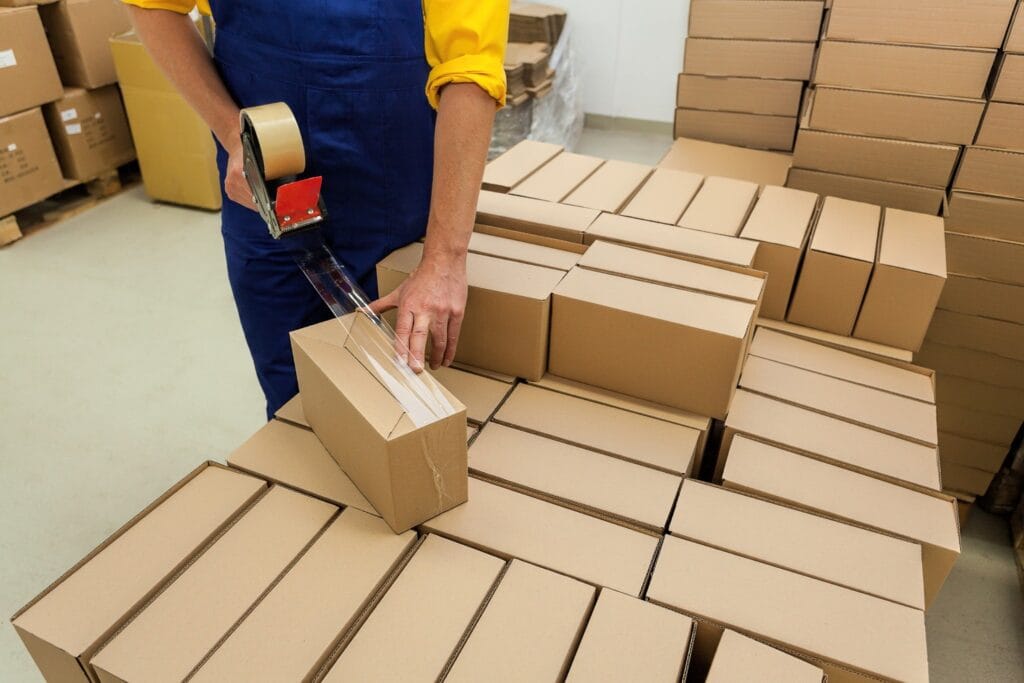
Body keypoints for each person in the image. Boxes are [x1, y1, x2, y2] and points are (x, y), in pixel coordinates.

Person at [125, 0, 509, 418]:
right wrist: (234, 134)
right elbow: (153, 6)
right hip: (265, 196)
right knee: (290, 387)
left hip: (391, 192)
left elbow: (470, 71)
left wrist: (443, 259)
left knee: (403, 400)